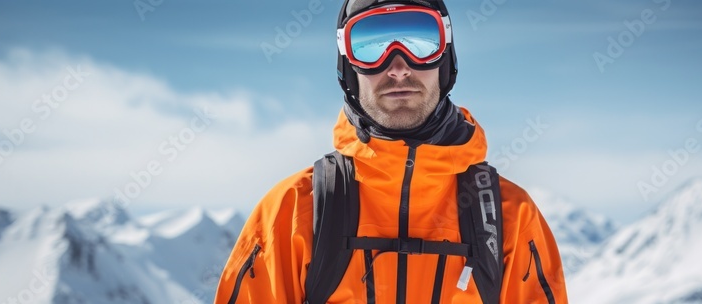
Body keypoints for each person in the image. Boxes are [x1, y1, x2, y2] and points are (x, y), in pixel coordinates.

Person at [214, 0, 567, 303]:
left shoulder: (509, 217)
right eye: (370, 47)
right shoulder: (293, 212)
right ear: (348, 67)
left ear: (445, 59)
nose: (398, 67)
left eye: (420, 43)